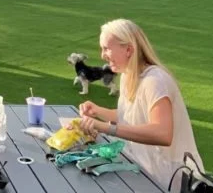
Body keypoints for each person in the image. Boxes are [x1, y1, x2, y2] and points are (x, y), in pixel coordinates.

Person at [79, 19, 202, 190]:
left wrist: (106, 127)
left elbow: (162, 133)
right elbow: (131, 115)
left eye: (106, 48)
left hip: (174, 180)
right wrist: (98, 111)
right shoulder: (128, 75)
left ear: (128, 49)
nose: (102, 55)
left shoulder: (155, 81)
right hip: (145, 172)